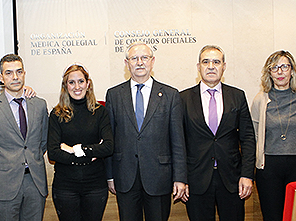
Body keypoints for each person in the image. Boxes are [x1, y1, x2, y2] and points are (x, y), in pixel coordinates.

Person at [105, 41, 187, 221]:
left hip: (159, 178)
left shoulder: (170, 95)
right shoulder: (114, 95)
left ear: (152, 61)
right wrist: (110, 175)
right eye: (134, 58)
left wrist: (180, 178)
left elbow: (178, 141)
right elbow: (110, 138)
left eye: (144, 57)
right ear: (127, 63)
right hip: (125, 177)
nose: (140, 62)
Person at [179, 45, 255, 221]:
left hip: (232, 180)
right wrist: (181, 178)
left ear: (224, 66)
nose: (211, 66)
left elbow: (248, 138)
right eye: (206, 62)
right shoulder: (183, 99)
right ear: (198, 67)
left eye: (216, 62)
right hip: (196, 180)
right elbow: (178, 142)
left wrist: (246, 174)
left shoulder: (237, 96)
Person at [0, 54, 49, 221]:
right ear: (1, 77)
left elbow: (43, 141)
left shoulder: (39, 105)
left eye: (19, 72)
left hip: (35, 182)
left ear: (24, 73)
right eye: (9, 73)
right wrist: (2, 169)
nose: (15, 77)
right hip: (4, 184)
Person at [250, 50, 296, 221]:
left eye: (284, 67)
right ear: (269, 73)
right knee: (272, 216)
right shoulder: (260, 99)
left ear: (292, 70)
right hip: (269, 167)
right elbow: (255, 136)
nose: (280, 72)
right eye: (274, 67)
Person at [47, 63, 114, 221]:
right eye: (71, 82)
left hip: (95, 185)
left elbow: (108, 147)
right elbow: (53, 152)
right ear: (65, 86)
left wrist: (73, 149)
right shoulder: (56, 114)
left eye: (81, 81)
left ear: (88, 83)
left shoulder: (100, 112)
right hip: (65, 186)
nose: (77, 86)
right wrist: (91, 152)